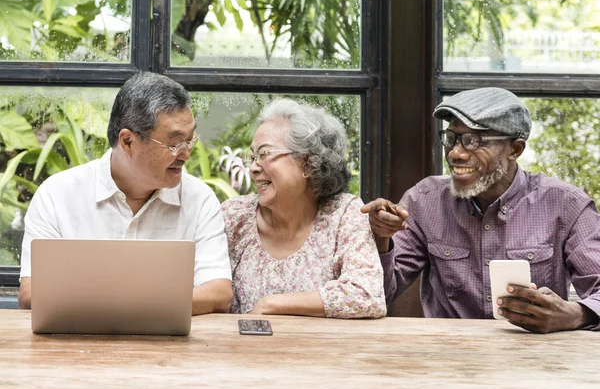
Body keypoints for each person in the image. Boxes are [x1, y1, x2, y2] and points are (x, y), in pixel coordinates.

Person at [362, 87, 600, 333]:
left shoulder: (567, 205)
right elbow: (380, 291)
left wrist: (574, 314)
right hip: (449, 358)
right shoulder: (425, 201)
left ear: (515, 149)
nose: (455, 153)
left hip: (537, 362)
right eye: (451, 138)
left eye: (473, 141)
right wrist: (382, 238)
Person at [18, 72, 233, 314]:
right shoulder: (57, 195)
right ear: (128, 141)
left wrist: (121, 305)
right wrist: (144, 304)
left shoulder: (199, 199)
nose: (186, 154)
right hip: (77, 345)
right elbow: (31, 291)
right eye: (174, 143)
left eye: (190, 139)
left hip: (171, 348)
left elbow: (219, 292)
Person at [221, 98, 386, 318]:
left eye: (264, 154)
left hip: (322, 350)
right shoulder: (234, 216)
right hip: (243, 349)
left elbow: (368, 295)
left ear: (307, 164)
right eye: (252, 157)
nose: (252, 168)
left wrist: (272, 305)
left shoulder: (343, 213)